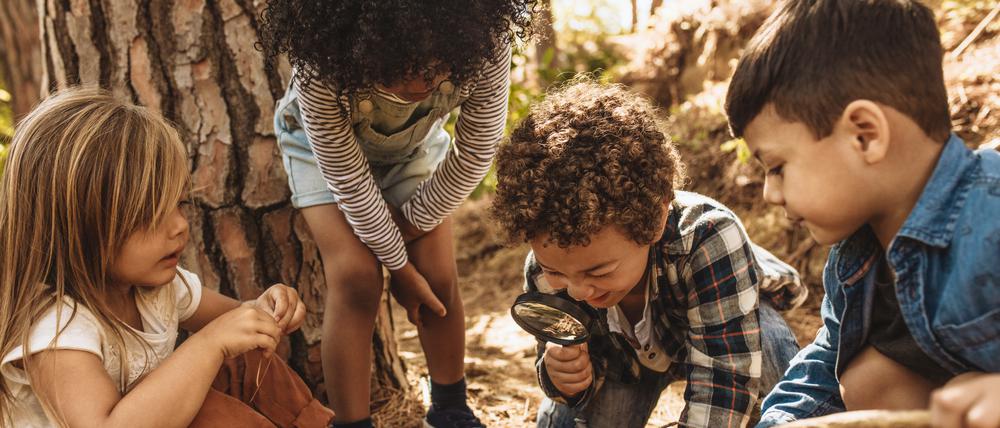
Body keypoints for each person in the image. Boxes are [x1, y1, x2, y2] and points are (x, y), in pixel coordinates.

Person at [257, 2, 535, 426]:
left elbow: (476, 153)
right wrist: (399, 270)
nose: (421, 83)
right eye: (401, 68)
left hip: (413, 151)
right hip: (322, 156)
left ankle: (450, 410)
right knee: (356, 276)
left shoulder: (486, 41)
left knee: (439, 277)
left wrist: (406, 230)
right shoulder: (320, 62)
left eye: (435, 67)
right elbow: (348, 181)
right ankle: (351, 422)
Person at [723, 1, 1000, 427]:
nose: (770, 193)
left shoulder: (990, 210)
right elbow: (822, 370)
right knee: (866, 377)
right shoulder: (857, 259)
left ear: (865, 136)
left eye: (777, 167)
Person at [0, 87, 333, 428]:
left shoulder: (155, 289)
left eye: (177, 204)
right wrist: (209, 343)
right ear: (75, 229)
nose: (180, 226)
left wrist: (266, 309)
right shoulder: (58, 330)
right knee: (210, 413)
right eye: (149, 215)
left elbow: (240, 320)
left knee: (245, 356)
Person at [490, 79, 807, 428]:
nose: (577, 290)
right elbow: (563, 376)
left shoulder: (707, 238)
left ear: (655, 220)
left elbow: (723, 379)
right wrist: (561, 376)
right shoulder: (545, 269)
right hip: (625, 364)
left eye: (599, 272)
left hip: (725, 332)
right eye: (558, 273)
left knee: (770, 342)